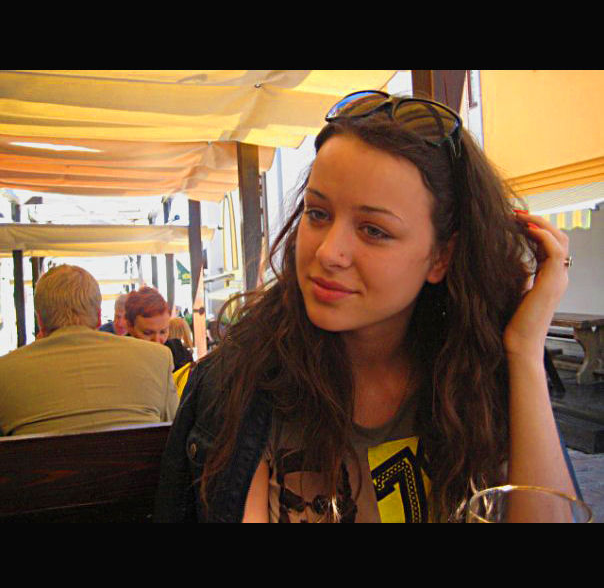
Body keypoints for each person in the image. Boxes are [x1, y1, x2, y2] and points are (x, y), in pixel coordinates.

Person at [154, 91, 576, 523]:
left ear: (441, 257)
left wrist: (524, 351)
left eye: (374, 230)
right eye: (318, 214)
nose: (328, 252)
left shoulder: (481, 373)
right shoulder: (242, 383)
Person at [0, 265, 178, 436]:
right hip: (138, 458)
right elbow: (176, 433)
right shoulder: (158, 358)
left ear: (40, 320)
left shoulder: (5, 372)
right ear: (99, 316)